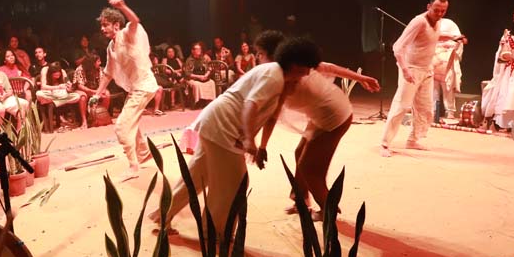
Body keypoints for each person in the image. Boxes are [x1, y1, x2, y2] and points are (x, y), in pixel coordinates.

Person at [152, 37, 321, 231]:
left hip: (216, 124)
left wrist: (262, 146)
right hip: (223, 128)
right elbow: (250, 105)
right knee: (234, 184)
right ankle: (215, 233)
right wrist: (249, 140)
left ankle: (164, 216)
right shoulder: (273, 76)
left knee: (196, 177)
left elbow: (271, 117)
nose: (308, 73)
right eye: (306, 68)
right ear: (295, 64)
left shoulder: (281, 79)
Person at [254, 32, 380, 220]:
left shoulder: (292, 71)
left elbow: (271, 116)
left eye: (260, 53)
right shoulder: (291, 68)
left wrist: (262, 146)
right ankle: (301, 200)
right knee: (300, 153)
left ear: (272, 55)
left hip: (334, 117)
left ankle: (328, 210)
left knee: (310, 169)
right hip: (324, 112)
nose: (257, 58)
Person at [91, 0, 159, 179]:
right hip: (136, 88)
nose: (102, 28)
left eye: (105, 24)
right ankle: (143, 152)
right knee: (131, 122)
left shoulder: (127, 34)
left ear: (116, 25)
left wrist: (122, 6)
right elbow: (108, 73)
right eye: (101, 25)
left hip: (144, 85)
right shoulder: (110, 47)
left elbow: (135, 21)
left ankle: (133, 167)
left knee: (121, 126)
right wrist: (96, 94)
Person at [380, 0, 450, 156]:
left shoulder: (438, 22)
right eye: (436, 10)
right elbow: (398, 47)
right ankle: (385, 143)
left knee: (425, 108)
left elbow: (431, 37)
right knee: (402, 105)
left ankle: (413, 139)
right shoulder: (419, 22)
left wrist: (453, 38)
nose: (439, 14)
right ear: (428, 7)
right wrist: (405, 70)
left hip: (427, 69)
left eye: (443, 11)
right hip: (411, 68)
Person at [431, 17, 467, 121]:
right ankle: (433, 111)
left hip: (447, 61)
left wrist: (452, 42)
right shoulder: (428, 24)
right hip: (433, 60)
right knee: (433, 89)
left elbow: (460, 40)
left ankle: (450, 111)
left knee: (448, 87)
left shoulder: (450, 24)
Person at [38, 61, 88, 130]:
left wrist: (69, 87)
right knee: (39, 94)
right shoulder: (44, 70)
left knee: (77, 96)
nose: (57, 77)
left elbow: (68, 83)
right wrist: (58, 87)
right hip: (51, 93)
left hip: (60, 94)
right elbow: (43, 87)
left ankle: (56, 101)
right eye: (55, 75)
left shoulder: (63, 71)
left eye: (58, 75)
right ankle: (57, 100)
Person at [184, 42, 216, 107]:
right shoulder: (189, 60)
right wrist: (199, 77)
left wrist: (206, 75)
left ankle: (209, 101)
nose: (199, 51)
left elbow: (209, 68)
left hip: (203, 77)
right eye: (197, 49)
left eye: (200, 49)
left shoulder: (204, 58)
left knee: (211, 82)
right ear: (193, 51)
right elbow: (188, 73)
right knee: (197, 85)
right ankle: (198, 102)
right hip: (193, 78)